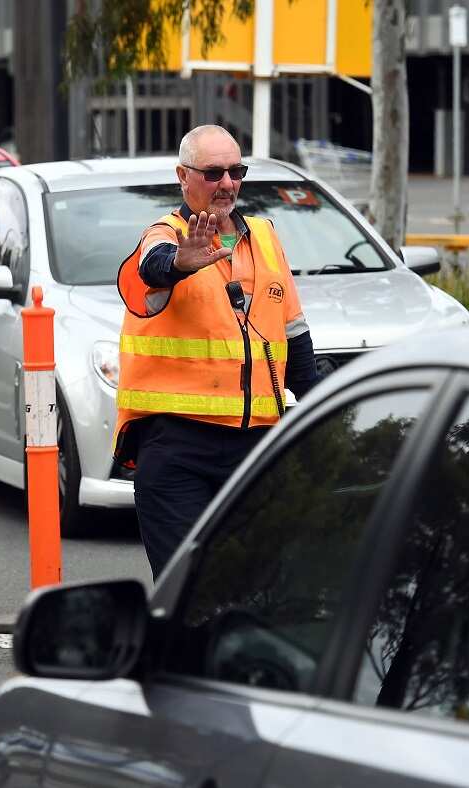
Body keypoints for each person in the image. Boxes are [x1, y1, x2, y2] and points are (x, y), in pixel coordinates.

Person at [115, 124, 321, 577]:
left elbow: (296, 338)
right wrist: (178, 263)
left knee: (257, 584)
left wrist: (335, 414)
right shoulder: (165, 235)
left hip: (254, 446)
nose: (227, 184)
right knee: (189, 588)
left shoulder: (264, 237)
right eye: (212, 173)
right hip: (177, 448)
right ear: (182, 176)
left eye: (235, 171)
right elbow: (149, 270)